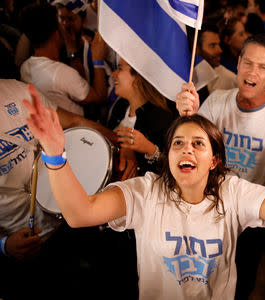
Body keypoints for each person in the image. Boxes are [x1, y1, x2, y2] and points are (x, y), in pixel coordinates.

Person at [23, 85, 265, 299]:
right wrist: (56, 154)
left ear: (215, 160)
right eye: (178, 144)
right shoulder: (144, 191)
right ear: (168, 156)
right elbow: (79, 213)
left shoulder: (234, 193)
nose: (186, 150)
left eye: (198, 144)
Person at [177, 33, 265, 298]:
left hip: (251, 220)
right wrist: (187, 118)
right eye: (248, 63)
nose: (252, 72)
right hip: (208, 210)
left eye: (262, 67)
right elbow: (187, 156)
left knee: (241, 282)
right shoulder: (217, 100)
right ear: (237, 64)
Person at [0, 81, 138, 299]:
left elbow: (75, 121)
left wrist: (123, 149)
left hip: (77, 216)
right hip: (30, 244)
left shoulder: (17, 91)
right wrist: (4, 244)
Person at [20, 4, 107, 116]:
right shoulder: (60, 73)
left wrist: (71, 51)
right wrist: (98, 61)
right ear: (56, 34)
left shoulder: (25, 67)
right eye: (61, 21)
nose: (65, 25)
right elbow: (99, 97)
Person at [107, 58, 174, 175]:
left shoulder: (159, 118)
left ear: (138, 77)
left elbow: (170, 168)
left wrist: (150, 149)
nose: (113, 74)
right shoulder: (120, 106)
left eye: (120, 68)